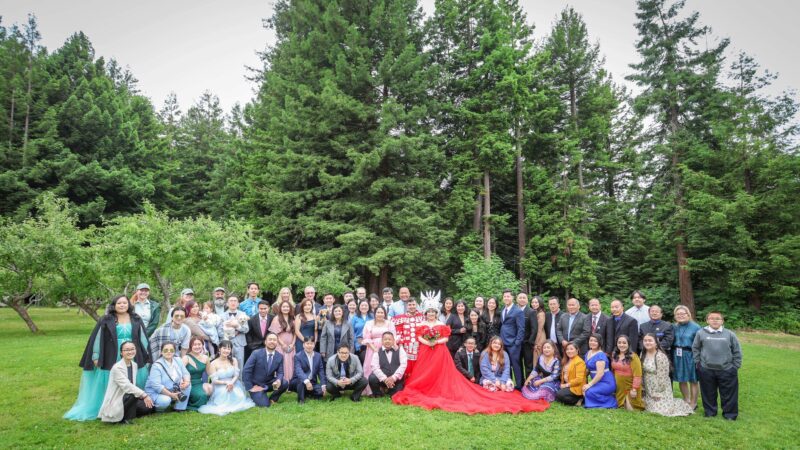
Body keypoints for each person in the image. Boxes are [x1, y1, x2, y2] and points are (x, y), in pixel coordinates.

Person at [392, 302, 549, 414]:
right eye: (429, 313)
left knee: (441, 373)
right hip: (426, 350)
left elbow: (446, 338)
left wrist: (436, 342)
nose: (431, 315)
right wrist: (427, 342)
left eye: (433, 312)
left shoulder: (441, 323)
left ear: (435, 313)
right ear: (426, 314)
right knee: (425, 372)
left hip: (439, 350)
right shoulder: (422, 323)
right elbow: (418, 336)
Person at [65, 295, 151, 421]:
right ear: (114, 305)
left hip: (133, 352)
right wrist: (96, 355)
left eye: (124, 303)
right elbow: (98, 338)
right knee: (113, 380)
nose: (122, 305)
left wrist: (146, 353)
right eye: (119, 303)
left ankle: (133, 406)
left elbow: (143, 337)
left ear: (129, 305)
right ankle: (108, 406)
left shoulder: (135, 318)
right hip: (113, 353)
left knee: (132, 378)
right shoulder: (106, 319)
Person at [692, 312, 742, 420]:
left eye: (718, 319)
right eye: (712, 318)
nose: (715, 320)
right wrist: (698, 363)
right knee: (708, 393)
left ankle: (730, 415)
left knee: (729, 394)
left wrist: (735, 366)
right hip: (706, 369)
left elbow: (737, 350)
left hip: (727, 369)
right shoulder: (701, 333)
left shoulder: (729, 334)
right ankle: (710, 412)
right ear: (707, 320)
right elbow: (695, 348)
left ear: (722, 321)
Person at [97, 341, 154, 424]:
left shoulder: (134, 365)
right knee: (131, 395)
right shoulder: (117, 368)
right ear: (121, 353)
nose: (130, 352)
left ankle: (129, 413)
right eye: (127, 350)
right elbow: (127, 386)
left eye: (132, 349)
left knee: (148, 407)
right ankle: (122, 419)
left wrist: (142, 396)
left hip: (129, 396)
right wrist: (144, 395)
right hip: (119, 398)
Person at [198, 340, 255, 415]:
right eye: (224, 348)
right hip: (219, 384)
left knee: (238, 395)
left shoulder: (234, 360)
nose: (226, 351)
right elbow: (214, 380)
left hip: (233, 382)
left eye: (229, 349)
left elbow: (236, 375)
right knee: (223, 394)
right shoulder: (213, 363)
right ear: (219, 349)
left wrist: (231, 382)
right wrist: (226, 383)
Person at [642, 334, 693, 416]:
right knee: (647, 407)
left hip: (660, 387)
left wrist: (658, 393)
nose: (647, 342)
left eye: (650, 340)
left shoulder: (660, 356)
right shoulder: (643, 354)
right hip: (648, 385)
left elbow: (663, 377)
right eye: (645, 340)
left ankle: (679, 404)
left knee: (660, 411)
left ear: (656, 343)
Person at [242, 333, 289, 407]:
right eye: (270, 339)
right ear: (265, 342)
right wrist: (250, 387)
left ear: (277, 342)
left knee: (284, 383)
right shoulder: (256, 353)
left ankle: (273, 398)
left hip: (269, 383)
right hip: (256, 385)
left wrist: (278, 380)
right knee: (265, 405)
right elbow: (246, 370)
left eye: (274, 340)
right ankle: (260, 395)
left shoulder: (279, 356)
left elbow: (280, 372)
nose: (272, 341)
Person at [145, 342, 191, 412]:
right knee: (165, 400)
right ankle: (157, 409)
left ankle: (179, 408)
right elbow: (156, 385)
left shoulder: (178, 360)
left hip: (172, 389)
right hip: (156, 392)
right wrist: (170, 394)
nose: (169, 352)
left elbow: (185, 373)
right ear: (161, 352)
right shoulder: (156, 365)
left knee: (187, 385)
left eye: (171, 350)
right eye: (166, 350)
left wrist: (187, 382)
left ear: (174, 352)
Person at [672, 305, 701, 408]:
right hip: (677, 355)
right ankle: (686, 399)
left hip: (690, 355)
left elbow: (700, 344)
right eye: (678, 314)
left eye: (682, 314)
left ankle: (693, 402)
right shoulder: (674, 327)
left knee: (693, 379)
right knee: (681, 378)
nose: (680, 316)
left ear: (688, 314)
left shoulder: (696, 327)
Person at [362, 306, 395, 396]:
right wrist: (375, 350)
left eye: (382, 312)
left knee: (385, 366)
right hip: (373, 348)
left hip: (387, 347)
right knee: (370, 367)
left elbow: (393, 336)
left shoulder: (389, 323)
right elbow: (367, 338)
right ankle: (370, 390)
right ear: (375, 313)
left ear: (385, 313)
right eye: (378, 312)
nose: (380, 314)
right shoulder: (369, 323)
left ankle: (385, 386)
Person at [499, 289, 526, 389]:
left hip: (513, 344)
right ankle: (508, 383)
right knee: (505, 365)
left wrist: (517, 343)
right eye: (505, 296)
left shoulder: (517, 311)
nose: (506, 298)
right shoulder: (503, 309)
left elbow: (521, 328)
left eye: (508, 296)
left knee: (516, 365)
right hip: (503, 343)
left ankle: (519, 386)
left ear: (512, 298)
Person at [582, 334, 617, 408]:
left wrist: (589, 385)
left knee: (589, 391)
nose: (592, 342)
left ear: (599, 343)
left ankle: (613, 401)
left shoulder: (600, 355)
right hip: (597, 382)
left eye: (595, 341)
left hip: (606, 382)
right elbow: (588, 369)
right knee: (583, 390)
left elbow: (600, 374)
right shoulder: (588, 353)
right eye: (591, 340)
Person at [368, 332, 408, 397]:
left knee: (395, 395)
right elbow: (374, 367)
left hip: (396, 379)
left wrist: (393, 378)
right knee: (372, 377)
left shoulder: (400, 350)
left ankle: (389, 390)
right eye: (385, 339)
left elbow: (403, 365)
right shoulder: (377, 351)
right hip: (383, 379)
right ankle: (378, 393)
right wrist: (385, 379)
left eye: (389, 339)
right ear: (382, 341)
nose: (387, 341)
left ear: (393, 341)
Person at [391, 298, 423, 379]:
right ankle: (406, 383)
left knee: (419, 365)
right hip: (406, 347)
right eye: (410, 305)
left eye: (413, 305)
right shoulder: (400, 318)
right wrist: (401, 347)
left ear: (416, 305)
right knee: (405, 365)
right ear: (407, 306)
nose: (412, 306)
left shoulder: (422, 317)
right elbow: (399, 333)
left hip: (420, 346)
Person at [611, 335, 644, 411]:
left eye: (624, 343)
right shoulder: (614, 355)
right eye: (619, 342)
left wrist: (634, 389)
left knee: (630, 409)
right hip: (619, 387)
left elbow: (638, 375)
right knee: (620, 406)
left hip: (630, 387)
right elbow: (613, 371)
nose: (621, 345)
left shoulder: (634, 357)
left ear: (628, 344)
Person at [217, 295, 249, 371]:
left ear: (238, 304)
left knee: (239, 365)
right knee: (225, 364)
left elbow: (246, 329)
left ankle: (240, 382)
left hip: (240, 344)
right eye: (231, 301)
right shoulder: (221, 316)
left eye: (235, 301)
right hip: (226, 344)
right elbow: (219, 332)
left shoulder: (243, 314)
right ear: (227, 303)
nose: (233, 303)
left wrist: (237, 326)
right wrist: (232, 333)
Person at [291, 337, 327, 404]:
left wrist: (323, 385)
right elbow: (299, 371)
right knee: (301, 380)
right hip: (298, 381)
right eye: (307, 343)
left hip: (312, 381)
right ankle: (301, 400)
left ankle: (307, 393)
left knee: (321, 392)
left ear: (314, 345)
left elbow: (321, 371)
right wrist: (307, 381)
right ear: (303, 345)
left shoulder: (318, 356)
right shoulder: (298, 356)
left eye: (311, 343)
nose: (309, 346)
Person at [269, 300, 297, 383]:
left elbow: (295, 333)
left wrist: (292, 344)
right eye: (284, 307)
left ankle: (291, 382)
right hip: (280, 345)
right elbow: (274, 334)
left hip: (291, 345)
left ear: (290, 308)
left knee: (291, 362)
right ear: (280, 308)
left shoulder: (293, 318)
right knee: (282, 362)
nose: (285, 308)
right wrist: (282, 344)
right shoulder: (276, 318)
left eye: (287, 307)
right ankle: (281, 381)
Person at [182, 337, 211, 410]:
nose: (197, 346)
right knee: (201, 395)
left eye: (199, 344)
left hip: (199, 383)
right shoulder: (186, 358)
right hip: (188, 384)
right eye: (194, 344)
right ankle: (188, 401)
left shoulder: (205, 358)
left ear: (202, 345)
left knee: (212, 389)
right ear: (191, 346)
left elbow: (210, 373)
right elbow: (179, 373)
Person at [517, 292, 534, 379]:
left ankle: (528, 384)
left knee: (528, 365)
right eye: (520, 297)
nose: (522, 299)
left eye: (524, 298)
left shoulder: (531, 312)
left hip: (527, 343)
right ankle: (520, 384)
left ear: (527, 300)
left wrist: (530, 341)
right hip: (516, 343)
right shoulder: (514, 310)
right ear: (517, 299)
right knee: (518, 364)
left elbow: (534, 329)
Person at [527, 296, 546, 364]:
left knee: (538, 358)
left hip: (539, 338)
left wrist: (536, 343)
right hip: (535, 337)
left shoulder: (541, 314)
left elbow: (539, 330)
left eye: (536, 302)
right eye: (532, 302)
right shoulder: (534, 312)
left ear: (540, 303)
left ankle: (538, 374)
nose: (534, 304)